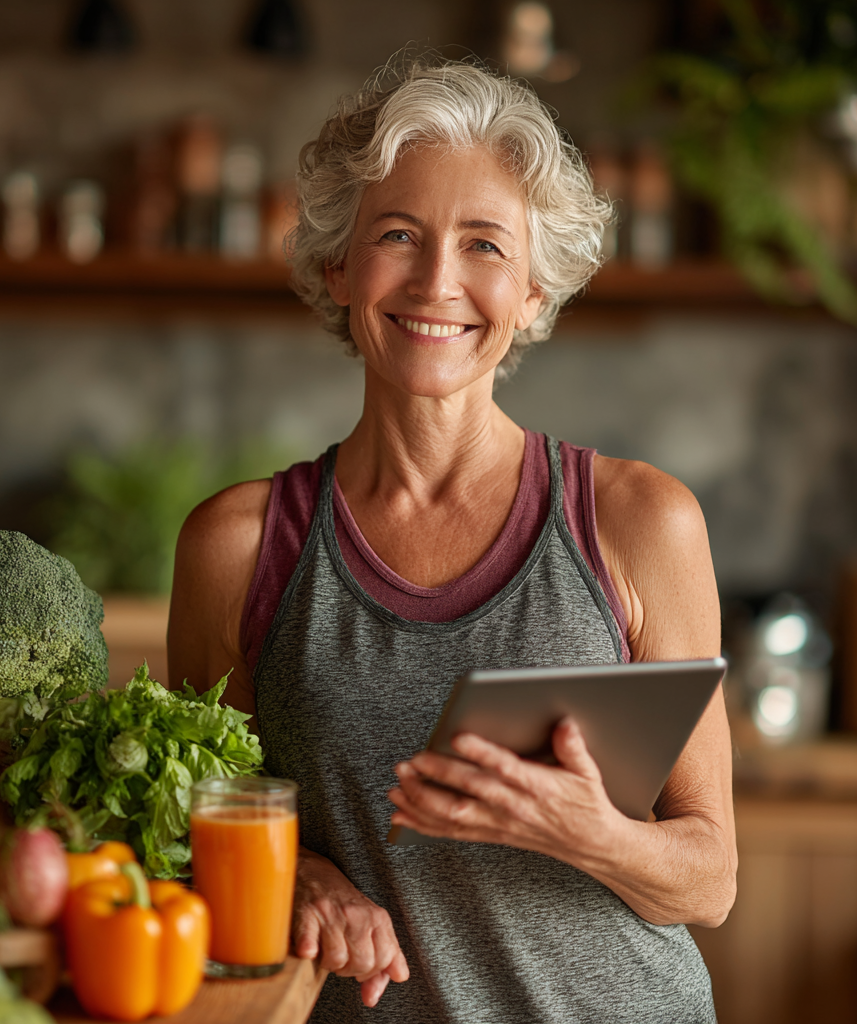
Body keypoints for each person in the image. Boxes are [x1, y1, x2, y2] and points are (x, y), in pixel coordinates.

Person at [168, 57, 736, 1024]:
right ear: (339, 264)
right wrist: (296, 872)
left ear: (532, 291)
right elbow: (186, 819)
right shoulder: (239, 545)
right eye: (399, 234)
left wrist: (588, 831)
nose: (438, 282)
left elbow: (710, 879)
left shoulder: (640, 523)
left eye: (484, 245)